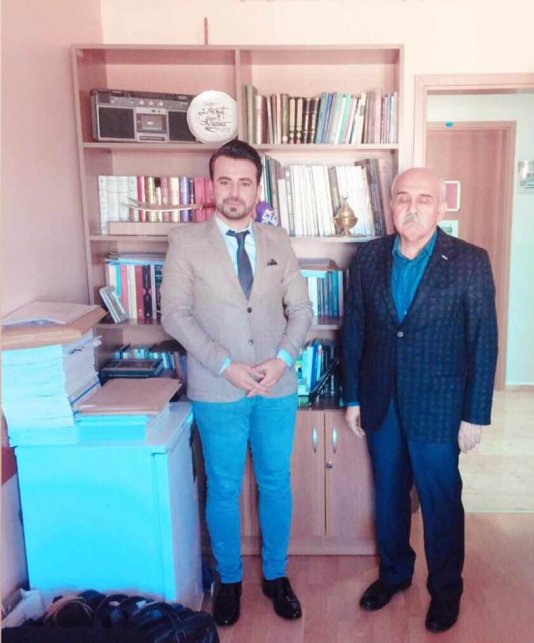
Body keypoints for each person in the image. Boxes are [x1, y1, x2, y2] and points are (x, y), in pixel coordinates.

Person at [161, 139, 313, 626]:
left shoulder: (278, 240)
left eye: (244, 182)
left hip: (276, 388)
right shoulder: (186, 242)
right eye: (224, 181)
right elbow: (174, 315)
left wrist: (283, 360)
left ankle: (275, 575)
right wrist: (225, 365)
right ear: (211, 185)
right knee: (223, 487)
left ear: (257, 188)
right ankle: (229, 581)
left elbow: (301, 310)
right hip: (217, 389)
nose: (234, 191)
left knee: (276, 482)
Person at [342, 167, 498, 633]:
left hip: (440, 407)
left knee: (440, 501)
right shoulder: (368, 257)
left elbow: (483, 341)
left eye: (424, 199)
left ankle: (446, 591)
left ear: (441, 207)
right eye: (403, 198)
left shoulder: (470, 261)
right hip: (381, 402)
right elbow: (355, 329)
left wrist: (475, 414)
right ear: (390, 204)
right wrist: (353, 398)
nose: (412, 208)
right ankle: (394, 575)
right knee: (389, 496)